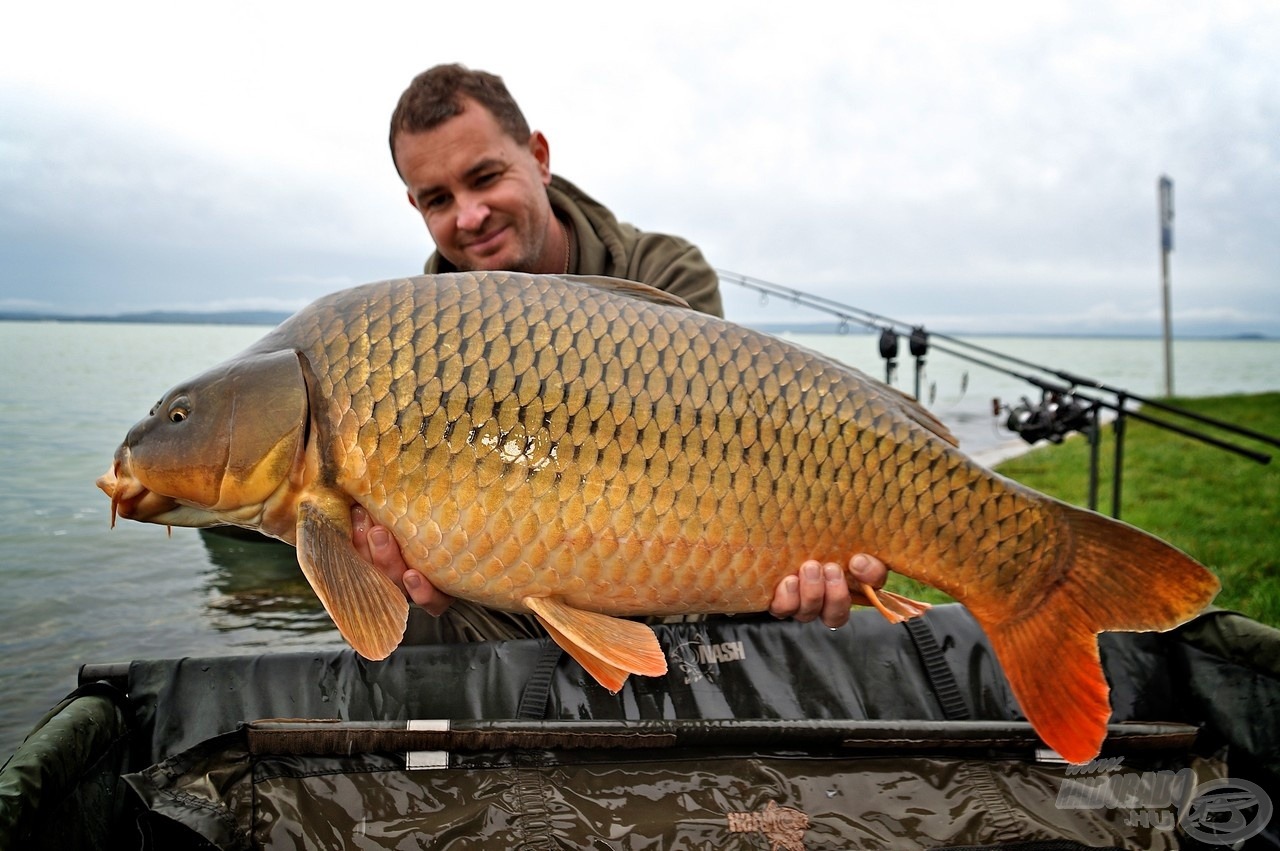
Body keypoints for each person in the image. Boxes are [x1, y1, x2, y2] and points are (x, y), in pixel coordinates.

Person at [354, 63, 888, 641]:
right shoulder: (403, 357)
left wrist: (803, 561)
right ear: (415, 206)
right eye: (438, 199)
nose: (470, 215)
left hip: (684, 598)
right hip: (512, 633)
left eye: (485, 177)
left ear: (538, 156)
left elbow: (730, 477)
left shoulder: (666, 273)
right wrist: (433, 582)